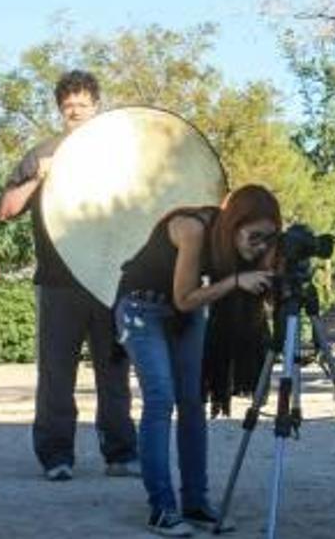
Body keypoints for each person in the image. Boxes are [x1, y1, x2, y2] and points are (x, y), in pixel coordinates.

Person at [114, 185, 280, 536]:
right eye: (255, 236)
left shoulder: (237, 244)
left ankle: (195, 503)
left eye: (269, 237)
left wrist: (270, 265)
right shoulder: (192, 228)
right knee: (160, 399)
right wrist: (236, 280)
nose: (260, 245)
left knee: (192, 403)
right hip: (141, 309)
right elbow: (185, 297)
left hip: (182, 317)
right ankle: (161, 507)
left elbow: (195, 304)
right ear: (235, 223)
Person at [0, 70, 138, 481]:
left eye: (82, 103)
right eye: (67, 105)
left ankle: (121, 453)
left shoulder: (119, 153)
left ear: (96, 106)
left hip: (111, 280)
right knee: (57, 375)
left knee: (115, 372)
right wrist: (39, 178)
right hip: (59, 283)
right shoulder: (43, 153)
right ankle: (56, 457)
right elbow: (6, 210)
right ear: (60, 110)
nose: (74, 110)